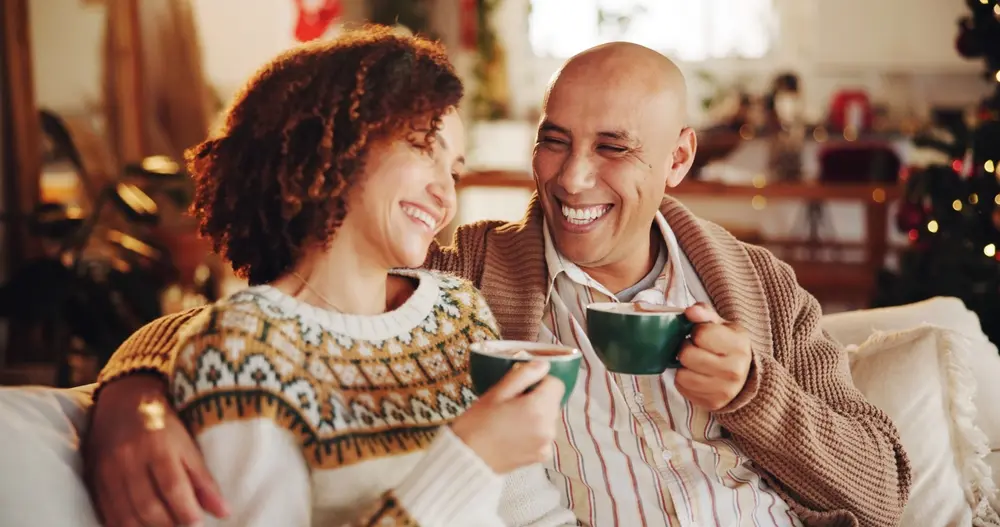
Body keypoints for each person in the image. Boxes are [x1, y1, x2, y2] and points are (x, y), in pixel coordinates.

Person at [85, 42, 911, 527]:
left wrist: (754, 394)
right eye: (554, 140)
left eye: (613, 148)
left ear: (680, 158)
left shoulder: (758, 284)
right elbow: (290, 309)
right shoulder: (463, 284)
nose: (572, 178)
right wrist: (134, 398)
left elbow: (883, 490)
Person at [86, 25, 578, 527]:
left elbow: (533, 514)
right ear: (336, 147)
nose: (444, 193)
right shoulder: (242, 352)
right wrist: (468, 459)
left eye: (453, 171)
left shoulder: (459, 312)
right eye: (423, 148)